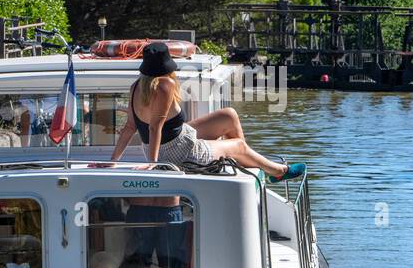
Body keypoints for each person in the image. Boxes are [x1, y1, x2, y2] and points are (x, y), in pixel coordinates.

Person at [108, 41, 304, 181]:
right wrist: (154, 163)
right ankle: (277, 171)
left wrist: (112, 161)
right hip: (180, 153)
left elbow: (130, 127)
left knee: (229, 115)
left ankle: (247, 163)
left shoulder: (135, 87)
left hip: (176, 140)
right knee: (238, 146)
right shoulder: (164, 85)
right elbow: (154, 127)